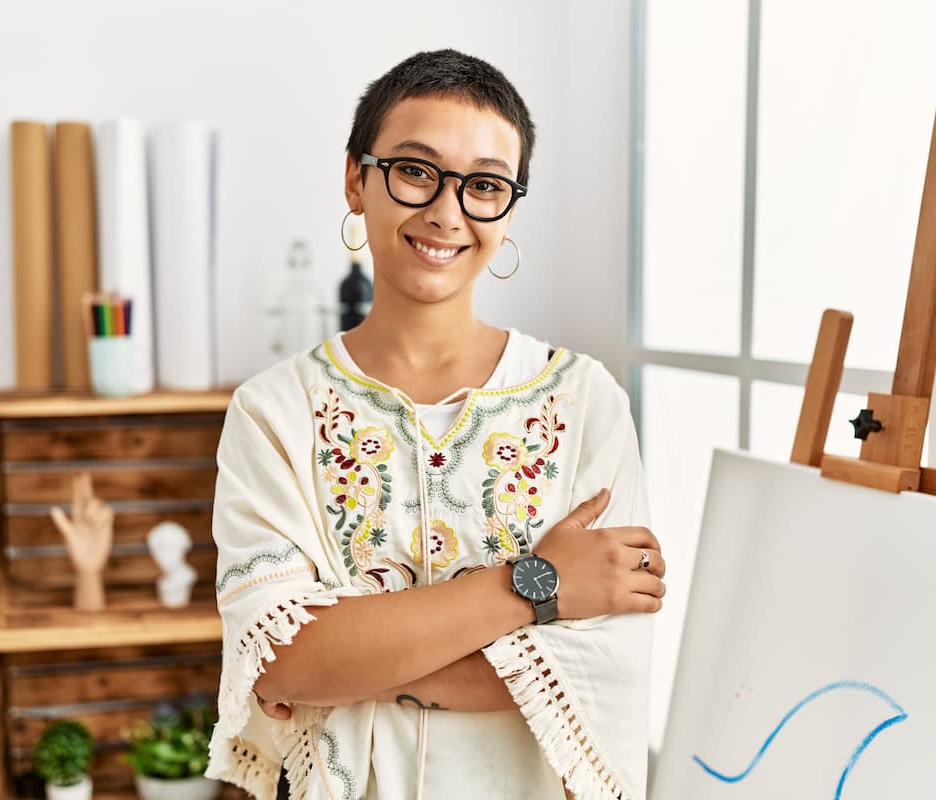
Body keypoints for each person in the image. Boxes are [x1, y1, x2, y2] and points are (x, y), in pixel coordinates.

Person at [205, 49, 667, 800]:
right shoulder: (273, 413)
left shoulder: (585, 402)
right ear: (357, 178)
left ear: (508, 209)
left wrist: (358, 664)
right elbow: (283, 660)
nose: (447, 213)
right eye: (417, 171)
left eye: (484, 185)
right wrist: (536, 586)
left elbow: (606, 669)